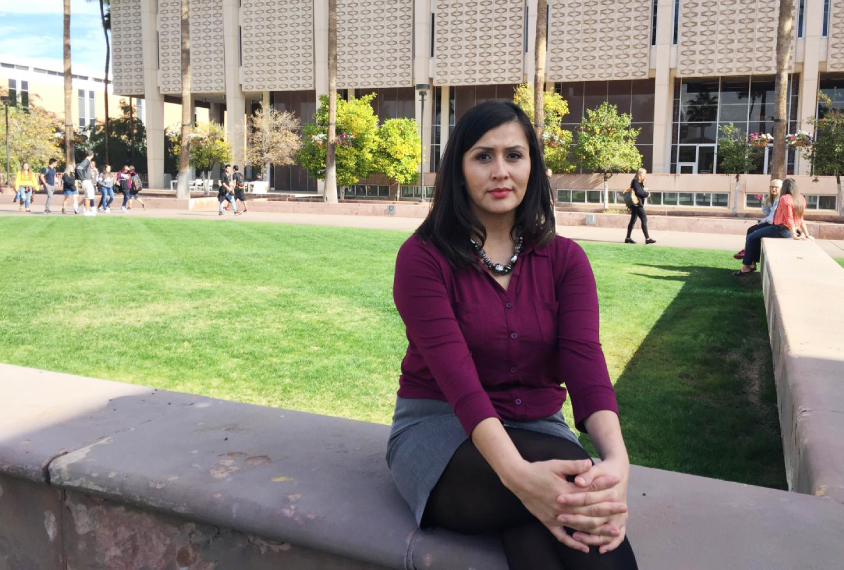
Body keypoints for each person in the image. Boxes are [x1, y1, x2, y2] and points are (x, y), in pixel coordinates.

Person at [388, 101, 637, 570]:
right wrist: (521, 477)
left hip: (538, 427)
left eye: (514, 156)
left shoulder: (566, 261)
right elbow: (458, 383)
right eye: (483, 156)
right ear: (459, 170)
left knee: (554, 517)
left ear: (532, 166)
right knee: (574, 505)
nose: (500, 171)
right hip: (442, 431)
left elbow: (585, 362)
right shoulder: (423, 258)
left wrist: (617, 461)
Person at [733, 178, 813, 276]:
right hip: (785, 229)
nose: (774, 189)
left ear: (784, 187)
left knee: (751, 236)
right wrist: (807, 234)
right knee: (754, 235)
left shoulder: (784, 198)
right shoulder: (801, 198)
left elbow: (789, 217)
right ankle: (750, 264)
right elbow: (800, 219)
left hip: (780, 229)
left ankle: (746, 266)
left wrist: (793, 234)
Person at [733, 179, 782, 259]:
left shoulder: (779, 199)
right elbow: (767, 213)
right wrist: (765, 203)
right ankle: (749, 258)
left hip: (775, 225)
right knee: (752, 231)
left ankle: (747, 253)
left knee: (752, 231)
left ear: (781, 188)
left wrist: (761, 221)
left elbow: (771, 217)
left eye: (776, 187)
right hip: (772, 223)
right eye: (772, 187)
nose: (773, 189)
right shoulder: (773, 199)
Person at [624, 168, 655, 244]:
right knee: (644, 219)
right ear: (640, 174)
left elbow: (639, 191)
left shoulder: (638, 182)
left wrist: (643, 185)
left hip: (636, 204)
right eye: (643, 174)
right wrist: (647, 194)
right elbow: (638, 192)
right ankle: (647, 238)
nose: (644, 176)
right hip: (637, 204)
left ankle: (628, 238)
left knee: (633, 221)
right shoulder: (635, 181)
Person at [76, 151, 97, 216]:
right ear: (92, 155)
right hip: (86, 180)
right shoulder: (87, 161)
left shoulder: (87, 161)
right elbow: (79, 168)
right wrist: (82, 177)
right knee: (89, 196)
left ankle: (77, 206)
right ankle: (87, 211)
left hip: (86, 180)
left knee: (87, 196)